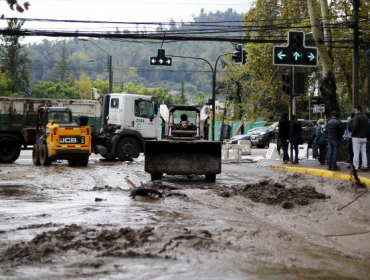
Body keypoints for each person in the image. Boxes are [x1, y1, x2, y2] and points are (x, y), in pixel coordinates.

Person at [352, 106, 368, 171]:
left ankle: (355, 167)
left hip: (357, 137)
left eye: (355, 110)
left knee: (356, 153)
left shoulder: (357, 117)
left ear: (359, 110)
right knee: (364, 152)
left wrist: (352, 134)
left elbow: (355, 127)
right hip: (364, 137)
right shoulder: (365, 117)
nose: (355, 112)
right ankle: (364, 166)